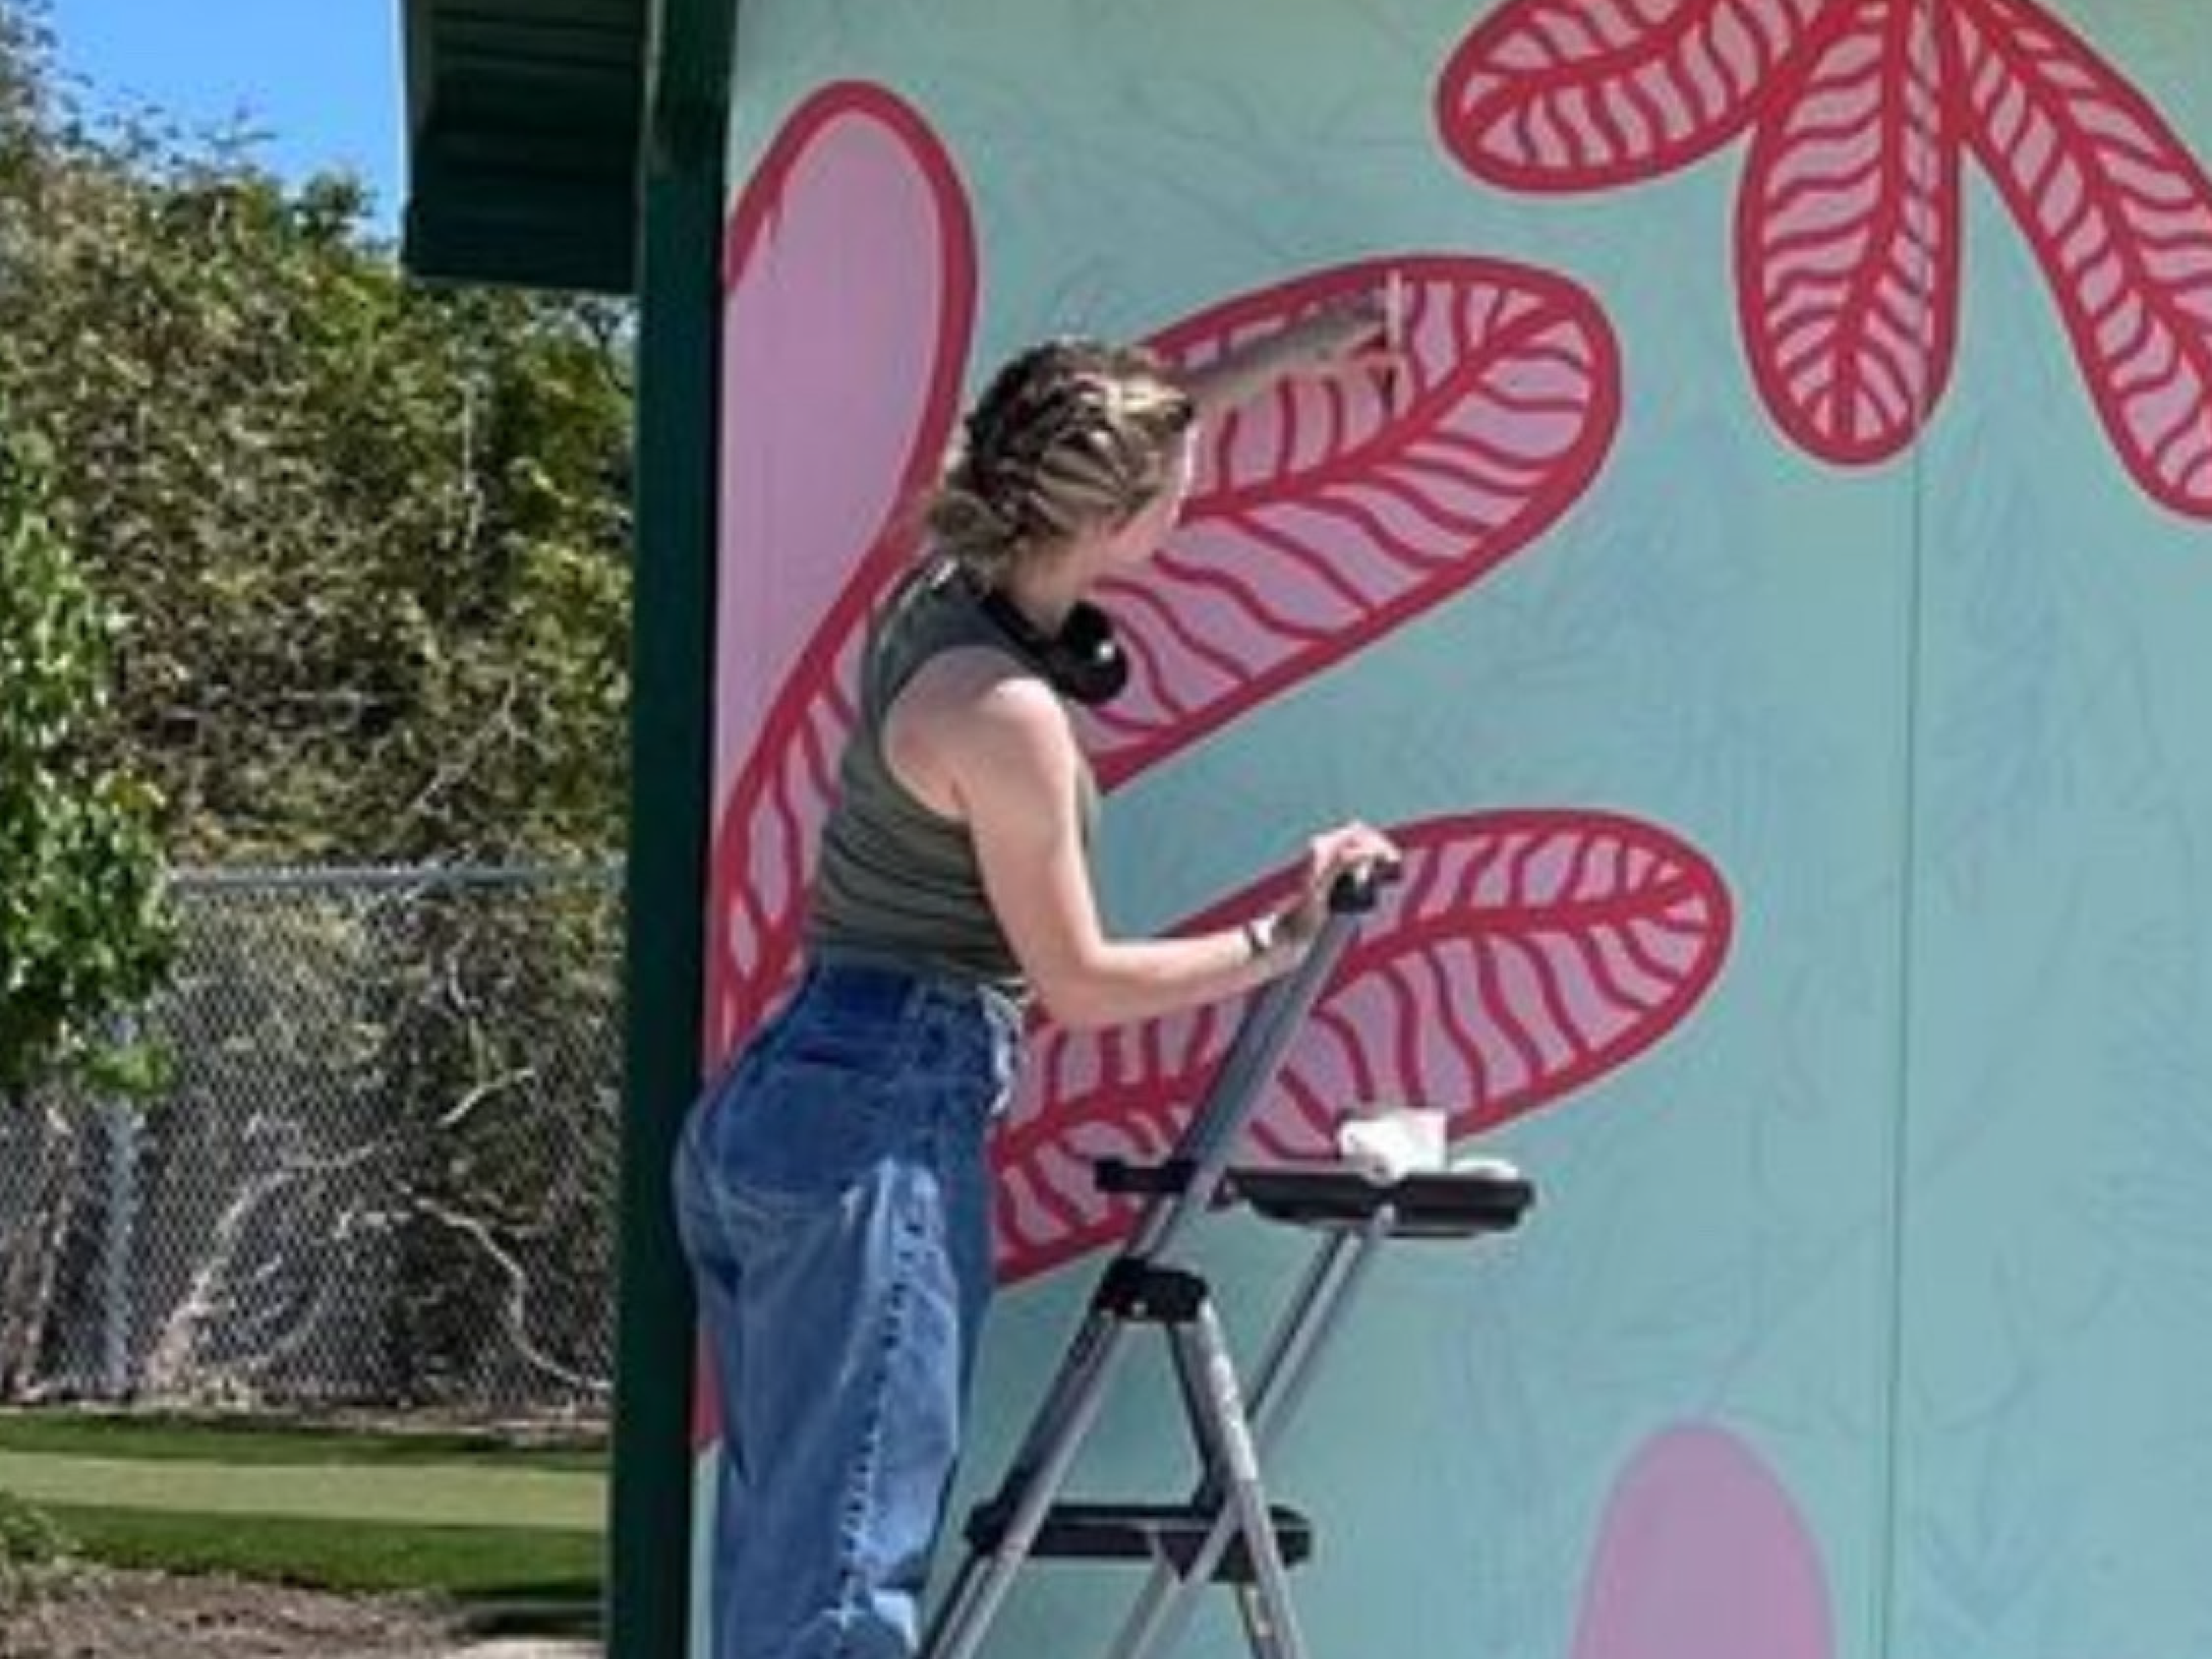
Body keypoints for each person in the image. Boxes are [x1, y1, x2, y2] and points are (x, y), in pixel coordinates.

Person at [673, 297, 1403, 1659]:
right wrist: (1283, 939)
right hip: (881, 1119)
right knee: (839, 1595)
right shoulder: (1004, 716)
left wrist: (1292, 358)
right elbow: (1080, 983)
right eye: (1173, 488)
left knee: (786, 1563)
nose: (1191, 495)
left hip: (793, 1097)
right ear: (1123, 520)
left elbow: (1136, 429)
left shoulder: (938, 595)